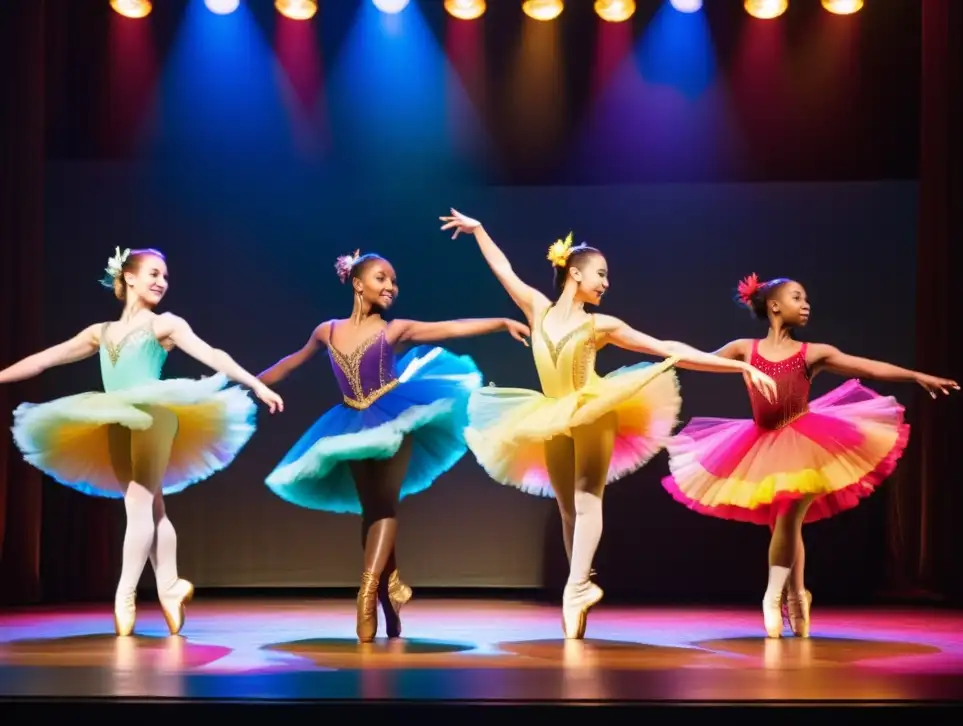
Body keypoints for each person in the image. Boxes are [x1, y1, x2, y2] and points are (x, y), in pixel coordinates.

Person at [438, 210, 779, 639]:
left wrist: (739, 369)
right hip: (548, 412)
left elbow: (666, 348)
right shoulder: (537, 307)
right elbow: (503, 268)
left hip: (594, 408)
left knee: (585, 498)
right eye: (600, 274)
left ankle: (576, 585)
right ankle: (578, 586)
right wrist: (480, 230)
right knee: (566, 508)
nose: (606, 282)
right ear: (574, 274)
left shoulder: (601, 325)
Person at [2, 247, 283, 637]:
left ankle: (125, 593)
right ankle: (168, 586)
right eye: (153, 273)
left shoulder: (164, 325)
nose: (161, 282)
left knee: (138, 502)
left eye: (165, 277)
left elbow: (212, 354)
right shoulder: (100, 332)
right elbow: (46, 358)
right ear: (128, 277)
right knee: (153, 507)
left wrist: (255, 384)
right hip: (113, 416)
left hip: (154, 415)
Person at [661, 273, 959, 638]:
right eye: (797, 297)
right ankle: (798, 594)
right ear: (774, 306)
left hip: (805, 441)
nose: (806, 305)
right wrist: (663, 355)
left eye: (806, 299)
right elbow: (701, 361)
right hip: (758, 444)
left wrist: (916, 376)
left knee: (787, 518)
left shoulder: (813, 353)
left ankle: (772, 597)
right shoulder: (744, 348)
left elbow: (867, 366)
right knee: (784, 526)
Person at [258, 250, 530, 643]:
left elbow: (452, 327)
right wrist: (250, 382)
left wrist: (502, 322)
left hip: (395, 419)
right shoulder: (327, 331)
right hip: (350, 422)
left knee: (383, 505)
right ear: (358, 283)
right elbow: (291, 362)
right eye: (382, 278)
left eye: (394, 282)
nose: (391, 287)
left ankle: (366, 594)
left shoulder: (394, 330)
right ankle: (391, 594)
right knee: (370, 512)